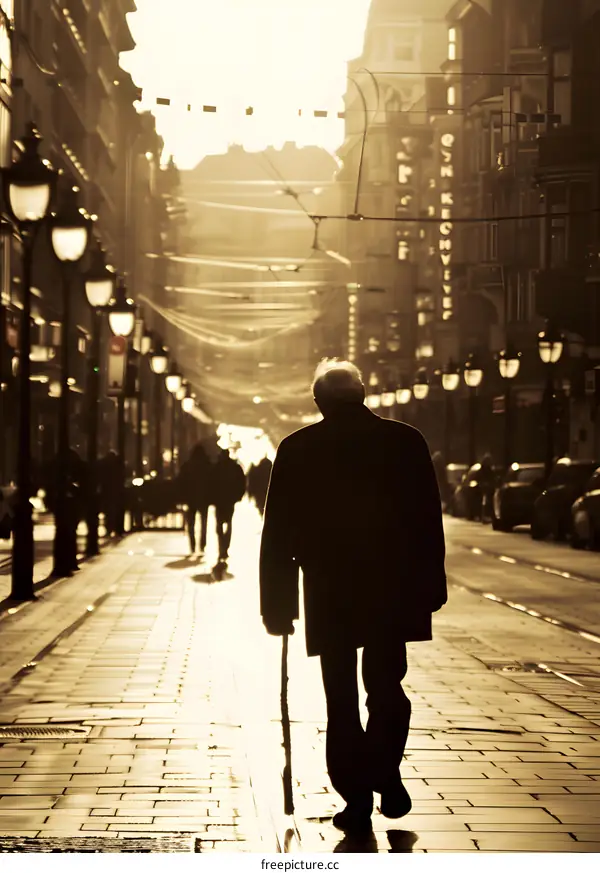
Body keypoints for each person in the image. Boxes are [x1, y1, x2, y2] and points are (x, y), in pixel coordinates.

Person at [259, 360, 447, 835]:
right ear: (362, 395)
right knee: (387, 688)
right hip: (392, 587)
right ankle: (385, 769)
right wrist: (431, 584)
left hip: (330, 590)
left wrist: (277, 605)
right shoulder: (405, 441)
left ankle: (357, 798)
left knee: (340, 698)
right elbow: (428, 519)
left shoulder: (298, 448)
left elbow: (277, 534)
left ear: (318, 401)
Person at [210, 448, 246, 562]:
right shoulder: (235, 467)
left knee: (219, 524)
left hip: (219, 500)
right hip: (230, 500)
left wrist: (211, 498)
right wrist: (238, 496)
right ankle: (225, 546)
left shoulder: (216, 467)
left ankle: (222, 547)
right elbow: (242, 482)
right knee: (229, 523)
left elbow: (210, 483)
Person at [177, 442, 211, 556]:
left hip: (190, 498)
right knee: (204, 522)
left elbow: (181, 482)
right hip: (204, 498)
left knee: (191, 523)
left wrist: (182, 496)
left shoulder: (187, 465)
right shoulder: (207, 465)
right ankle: (202, 545)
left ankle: (192, 545)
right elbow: (212, 481)